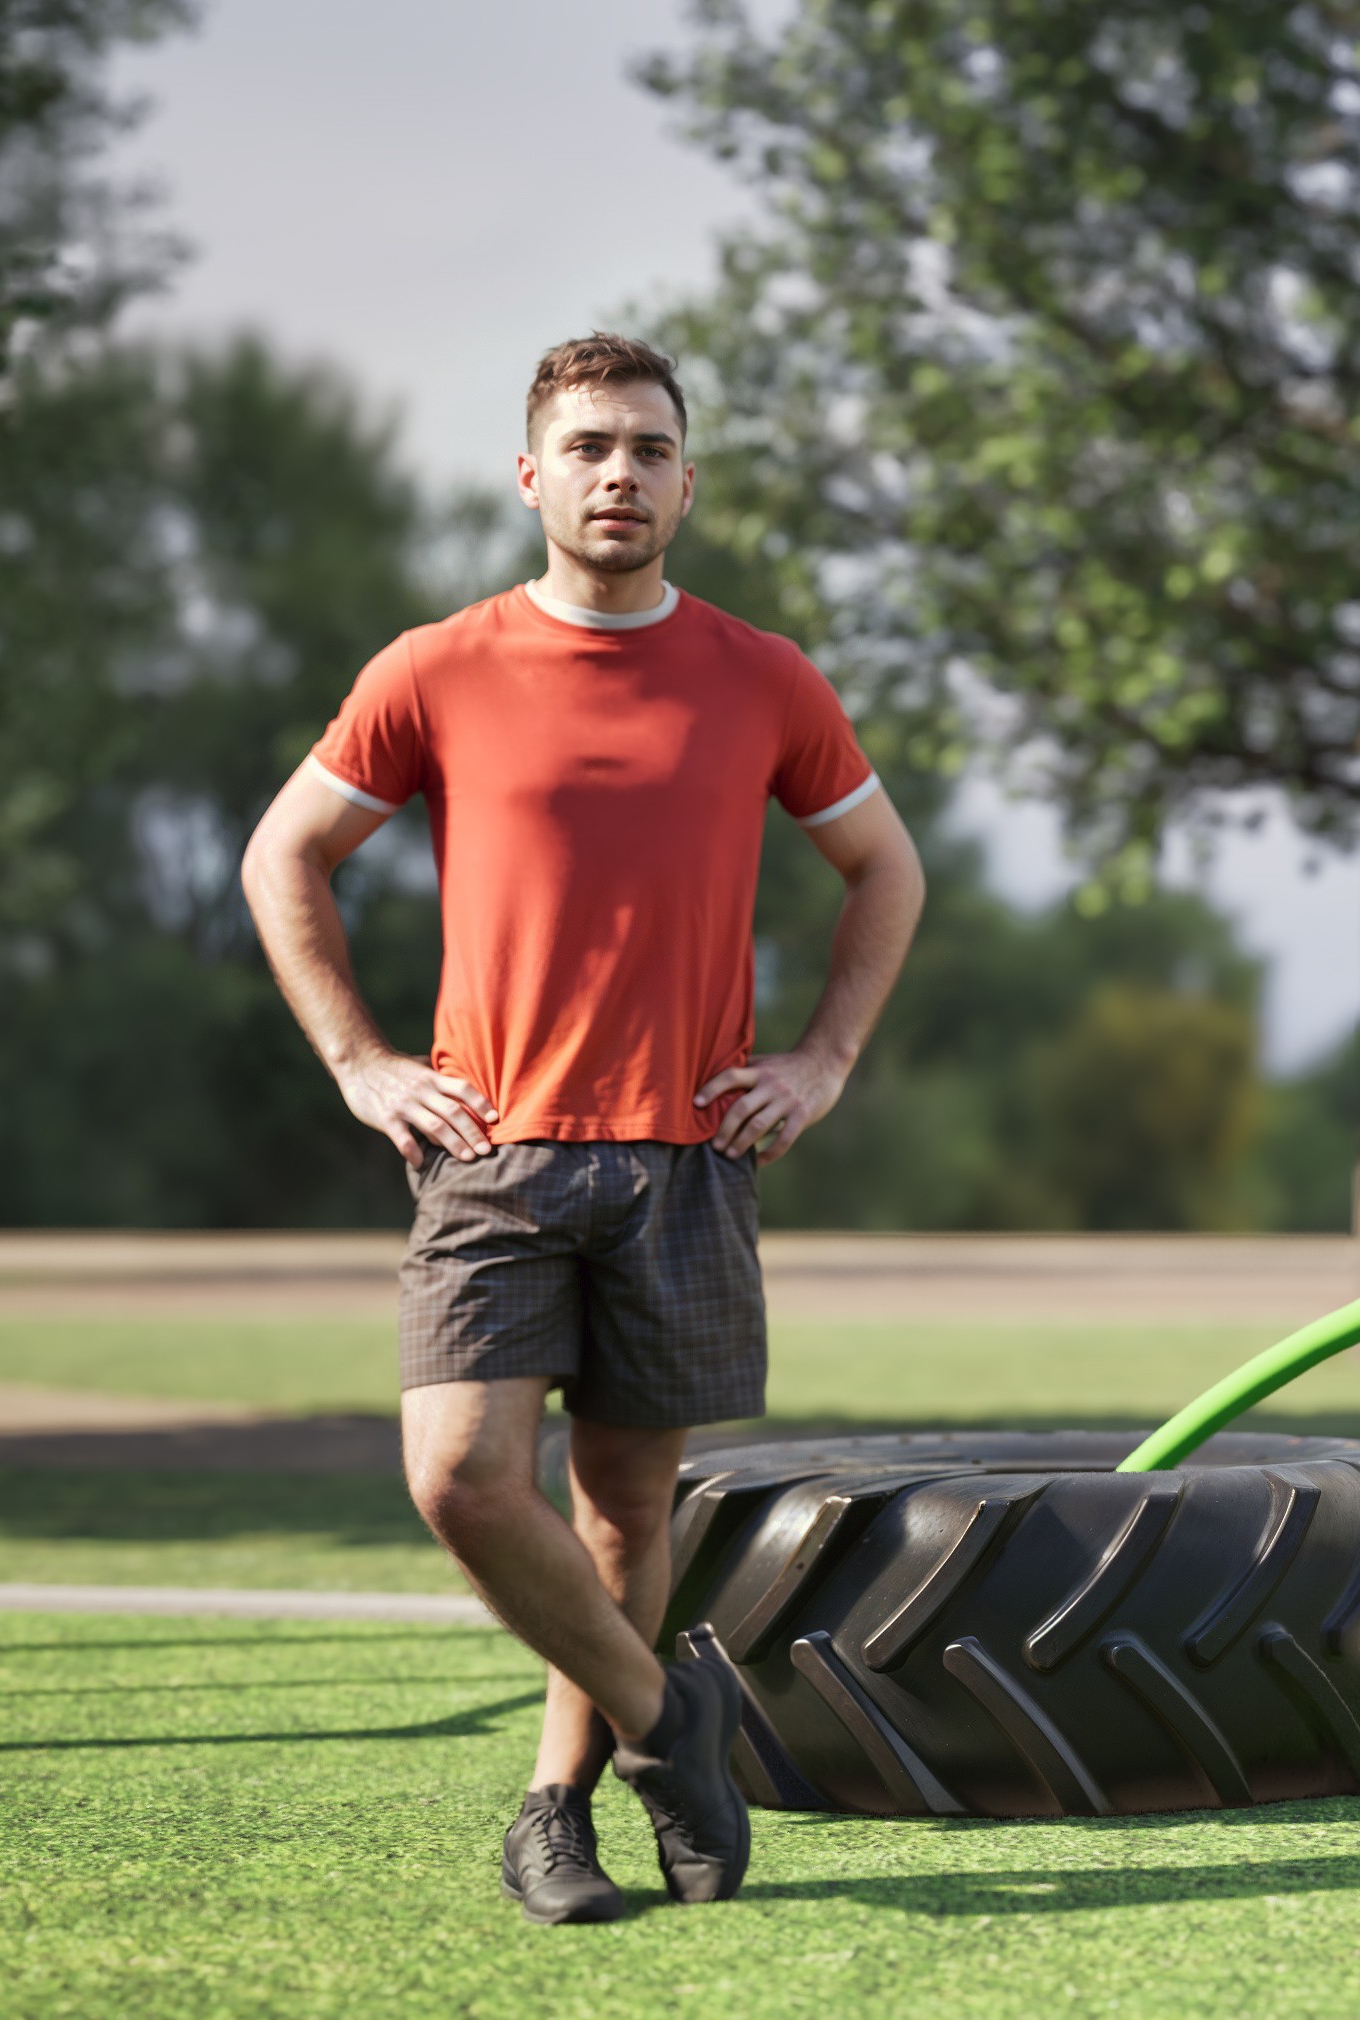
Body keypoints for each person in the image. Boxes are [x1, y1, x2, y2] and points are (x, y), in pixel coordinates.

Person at [240, 332, 926, 1924]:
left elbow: (885, 867)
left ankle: (559, 1813)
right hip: (491, 1151)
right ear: (531, 475)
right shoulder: (435, 667)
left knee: (624, 1507)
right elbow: (287, 855)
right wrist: (358, 1061)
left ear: (688, 483)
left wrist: (824, 1058)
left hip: (691, 1152)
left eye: (649, 449)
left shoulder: (764, 677)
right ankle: (669, 1719)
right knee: (461, 1478)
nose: (621, 474)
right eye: (591, 447)